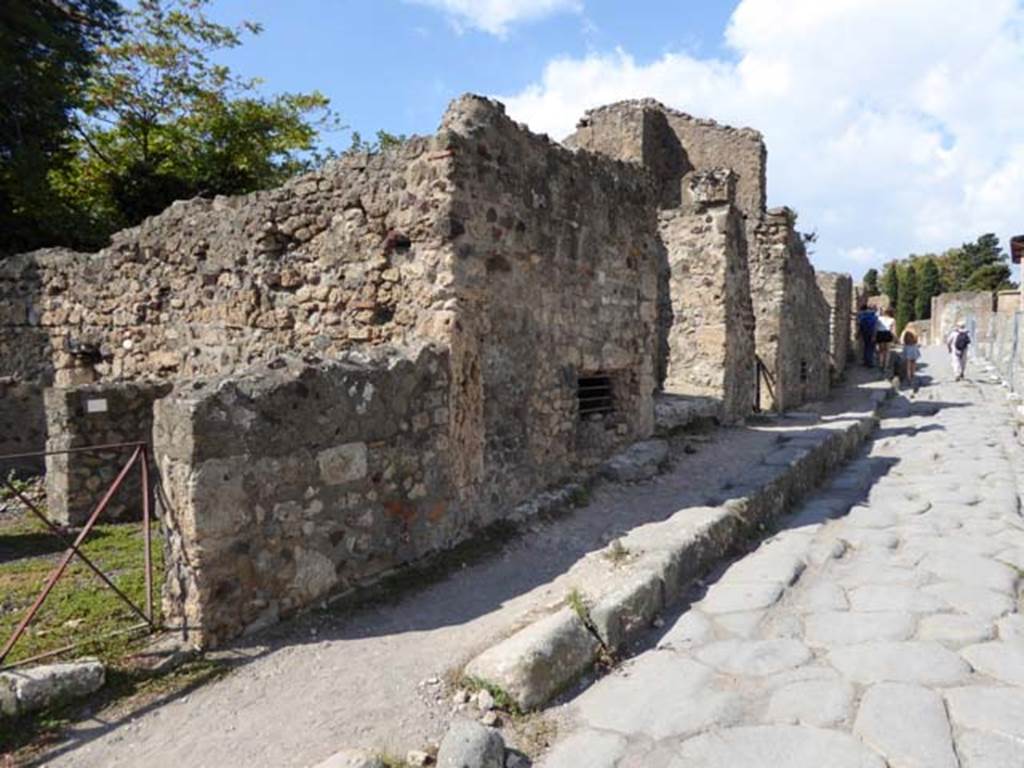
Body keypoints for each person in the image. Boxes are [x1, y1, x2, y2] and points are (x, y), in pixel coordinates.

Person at [857, 303, 878, 368]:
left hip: (864, 333)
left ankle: (865, 361)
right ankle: (870, 363)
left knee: (866, 347)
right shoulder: (874, 316)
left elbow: (860, 325)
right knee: (871, 348)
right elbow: (875, 327)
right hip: (871, 333)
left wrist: (858, 333)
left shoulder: (862, 315)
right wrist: (874, 335)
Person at [901, 326, 921, 391]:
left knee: (908, 366)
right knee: (914, 364)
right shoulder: (914, 332)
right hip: (914, 348)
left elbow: (902, 340)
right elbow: (917, 340)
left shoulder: (905, 332)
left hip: (907, 348)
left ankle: (909, 377)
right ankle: (913, 376)